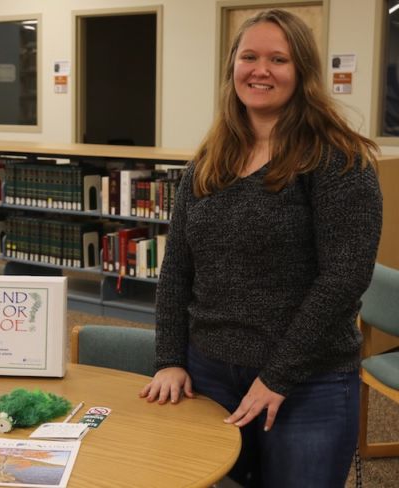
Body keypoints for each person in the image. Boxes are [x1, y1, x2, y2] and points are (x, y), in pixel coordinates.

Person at [139, 9, 382, 487]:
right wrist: (169, 357)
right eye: (249, 56)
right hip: (208, 373)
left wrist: (278, 377)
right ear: (233, 67)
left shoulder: (339, 160)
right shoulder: (209, 162)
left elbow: (343, 279)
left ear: (304, 73)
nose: (260, 70)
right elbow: (177, 270)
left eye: (278, 59)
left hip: (309, 383)